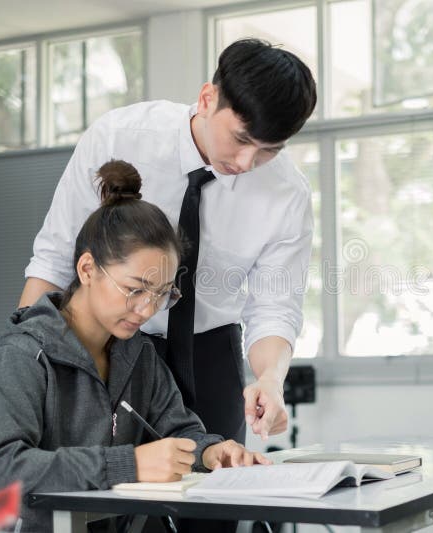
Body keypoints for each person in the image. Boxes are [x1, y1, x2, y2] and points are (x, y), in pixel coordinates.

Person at [19, 38, 317, 451]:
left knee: (216, 491)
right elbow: (54, 262)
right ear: (207, 98)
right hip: (105, 344)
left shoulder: (287, 193)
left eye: (269, 150)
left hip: (210, 352)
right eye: (242, 138)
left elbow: (274, 308)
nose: (247, 163)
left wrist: (269, 379)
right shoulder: (118, 138)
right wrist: (14, 395)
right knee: (103, 494)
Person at [0, 160, 270, 533]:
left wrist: (211, 452)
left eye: (161, 294)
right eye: (135, 289)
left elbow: (177, 430)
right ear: (87, 269)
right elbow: (2, 472)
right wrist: (131, 465)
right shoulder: (22, 355)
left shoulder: (137, 354)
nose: (146, 310)